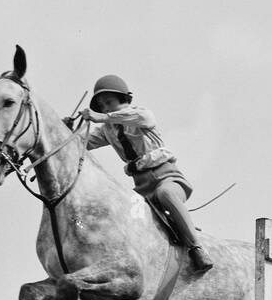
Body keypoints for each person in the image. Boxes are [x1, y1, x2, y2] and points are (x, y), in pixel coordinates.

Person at [78, 75, 213, 273]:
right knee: (122, 216)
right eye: (102, 106)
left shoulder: (140, 114)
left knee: (165, 194)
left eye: (109, 102)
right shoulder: (108, 129)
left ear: (123, 98)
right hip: (141, 187)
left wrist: (103, 117)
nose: (106, 108)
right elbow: (83, 142)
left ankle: (196, 247)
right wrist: (65, 130)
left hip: (167, 177)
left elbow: (141, 119)